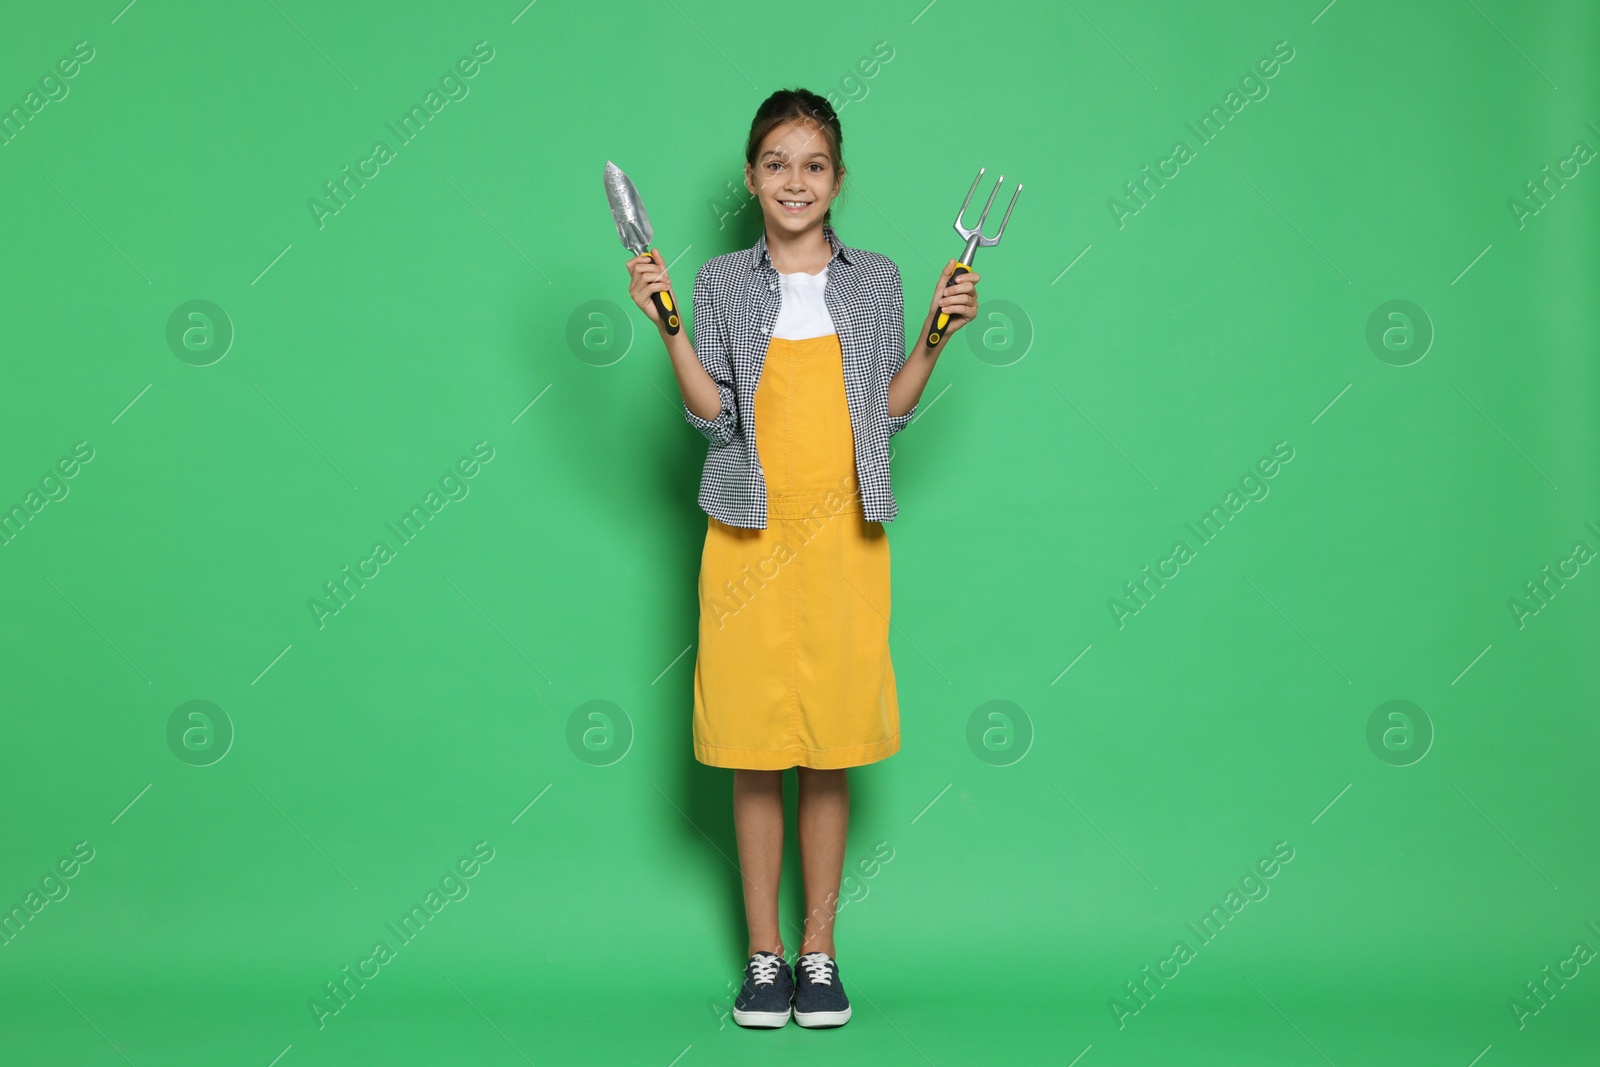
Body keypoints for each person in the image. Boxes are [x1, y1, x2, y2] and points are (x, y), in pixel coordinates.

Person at [624, 87, 978, 1030]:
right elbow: (711, 416)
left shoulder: (878, 282)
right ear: (750, 177)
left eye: (813, 164)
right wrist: (665, 323)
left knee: (829, 751)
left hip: (846, 540)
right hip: (746, 535)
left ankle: (818, 954)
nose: (794, 180)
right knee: (753, 750)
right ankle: (762, 957)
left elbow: (889, 411)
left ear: (838, 179)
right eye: (776, 163)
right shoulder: (719, 286)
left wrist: (938, 335)